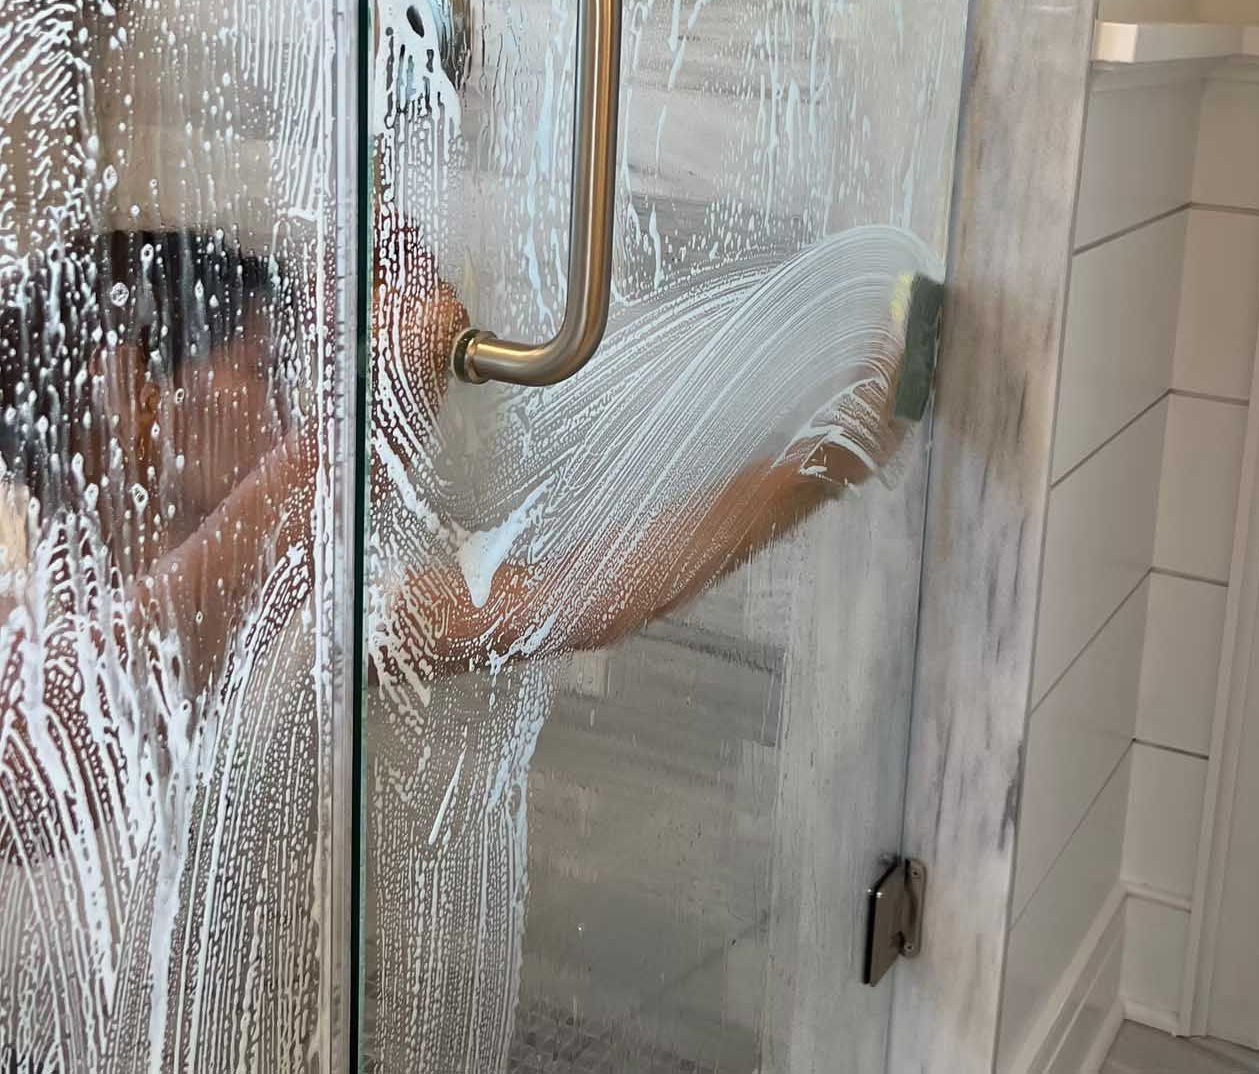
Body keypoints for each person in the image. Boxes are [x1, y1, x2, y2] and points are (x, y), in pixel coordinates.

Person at [0, 210, 932, 1067]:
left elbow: (580, 596)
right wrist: (362, 430)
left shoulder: (308, 602)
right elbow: (71, 730)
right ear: (132, 393)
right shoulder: (23, 634)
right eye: (257, 367)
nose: (286, 399)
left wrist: (834, 450)